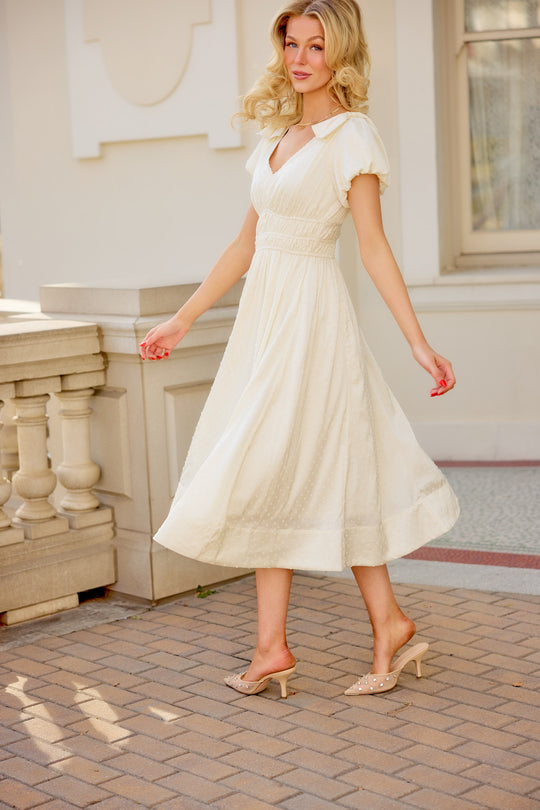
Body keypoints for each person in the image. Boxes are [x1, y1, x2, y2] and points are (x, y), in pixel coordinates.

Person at [139, 0, 459, 698]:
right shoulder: (277, 137)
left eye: (317, 45)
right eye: (293, 42)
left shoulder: (354, 138)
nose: (301, 57)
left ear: (340, 54)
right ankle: (350, 631)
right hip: (265, 319)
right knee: (288, 470)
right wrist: (181, 320)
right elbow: (244, 245)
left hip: (314, 319)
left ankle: (290, 643)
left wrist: (418, 343)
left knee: (278, 466)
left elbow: (372, 248)